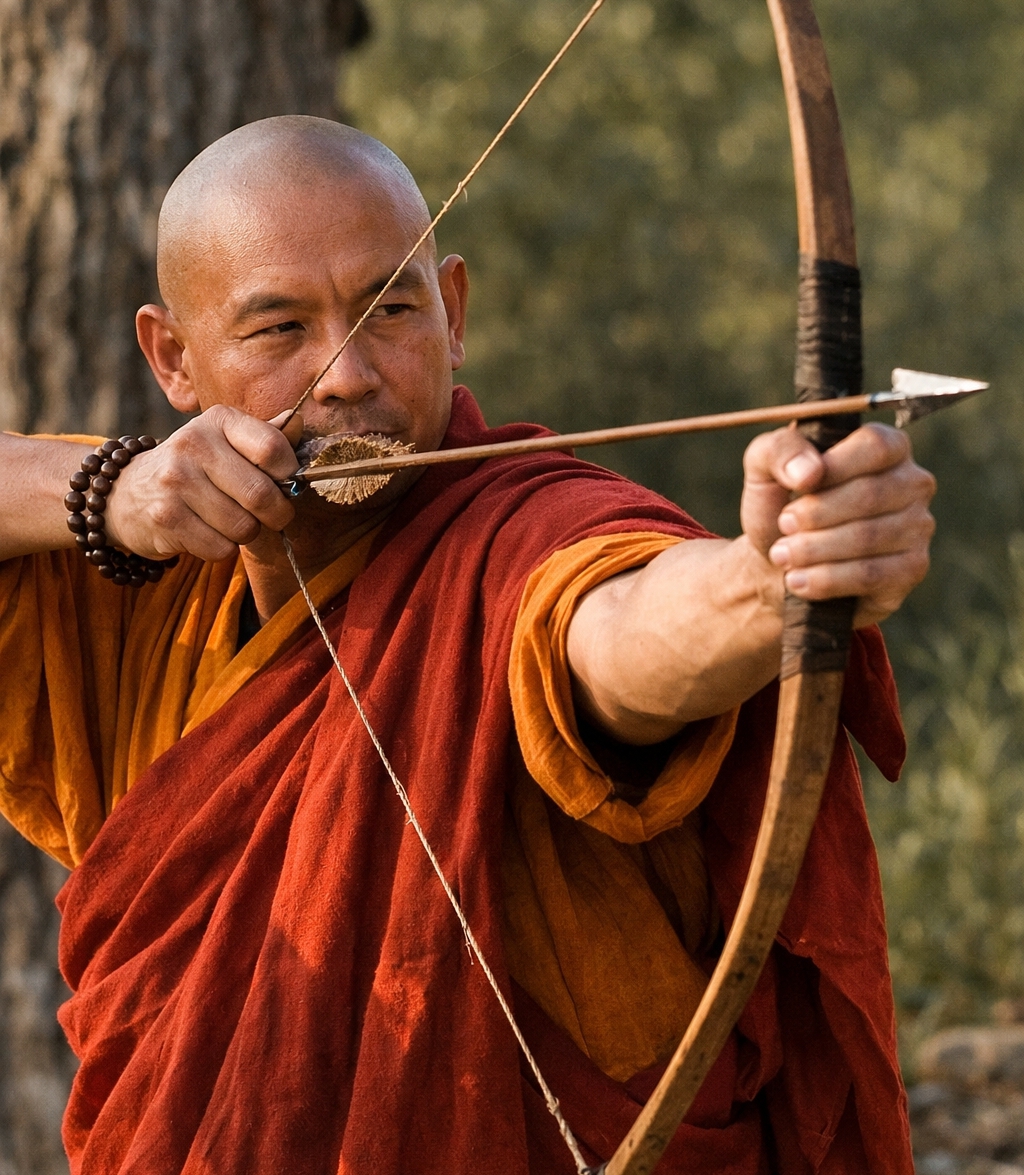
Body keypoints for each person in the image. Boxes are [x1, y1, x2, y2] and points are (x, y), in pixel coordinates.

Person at [0, 116, 933, 1174]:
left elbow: (614, 635)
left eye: (388, 308)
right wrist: (107, 491)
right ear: (172, 356)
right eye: (279, 330)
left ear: (452, 310)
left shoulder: (527, 528)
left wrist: (769, 581)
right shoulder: (144, 586)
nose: (347, 374)